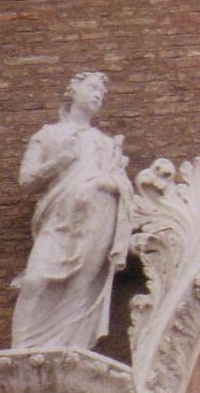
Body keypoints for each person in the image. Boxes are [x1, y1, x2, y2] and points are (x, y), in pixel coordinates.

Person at [10, 70, 133, 350]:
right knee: (35, 280)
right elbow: (27, 179)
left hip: (97, 216)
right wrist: (61, 160)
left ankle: (70, 347)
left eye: (101, 93)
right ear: (72, 92)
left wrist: (104, 181)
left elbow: (122, 184)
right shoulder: (48, 134)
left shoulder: (104, 142)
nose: (97, 95)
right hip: (58, 216)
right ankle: (23, 351)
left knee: (82, 287)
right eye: (91, 88)